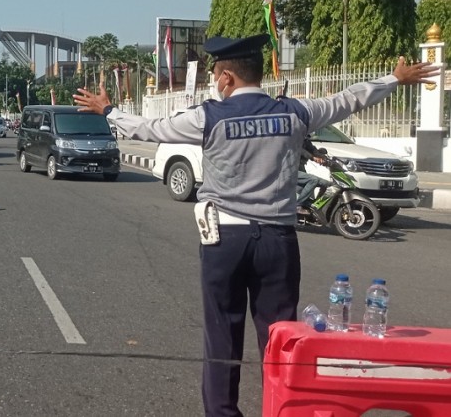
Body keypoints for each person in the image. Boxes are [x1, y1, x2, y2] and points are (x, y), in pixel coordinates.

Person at [73, 34, 438, 417]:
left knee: (221, 335)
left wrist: (109, 110)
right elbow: (348, 100)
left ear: (228, 77)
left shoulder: (209, 116)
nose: (215, 80)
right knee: (280, 337)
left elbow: (153, 128)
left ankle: (222, 413)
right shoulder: (295, 112)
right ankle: (282, 408)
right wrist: (394, 79)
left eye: (216, 74)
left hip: (224, 239)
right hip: (277, 241)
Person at [296, 135, 330, 213]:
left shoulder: (305, 139)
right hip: (290, 170)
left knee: (327, 184)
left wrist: (324, 158)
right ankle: (298, 206)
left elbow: (313, 150)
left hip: (301, 168)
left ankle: (316, 207)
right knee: (313, 180)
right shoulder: (293, 138)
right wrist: (313, 158)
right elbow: (300, 150)